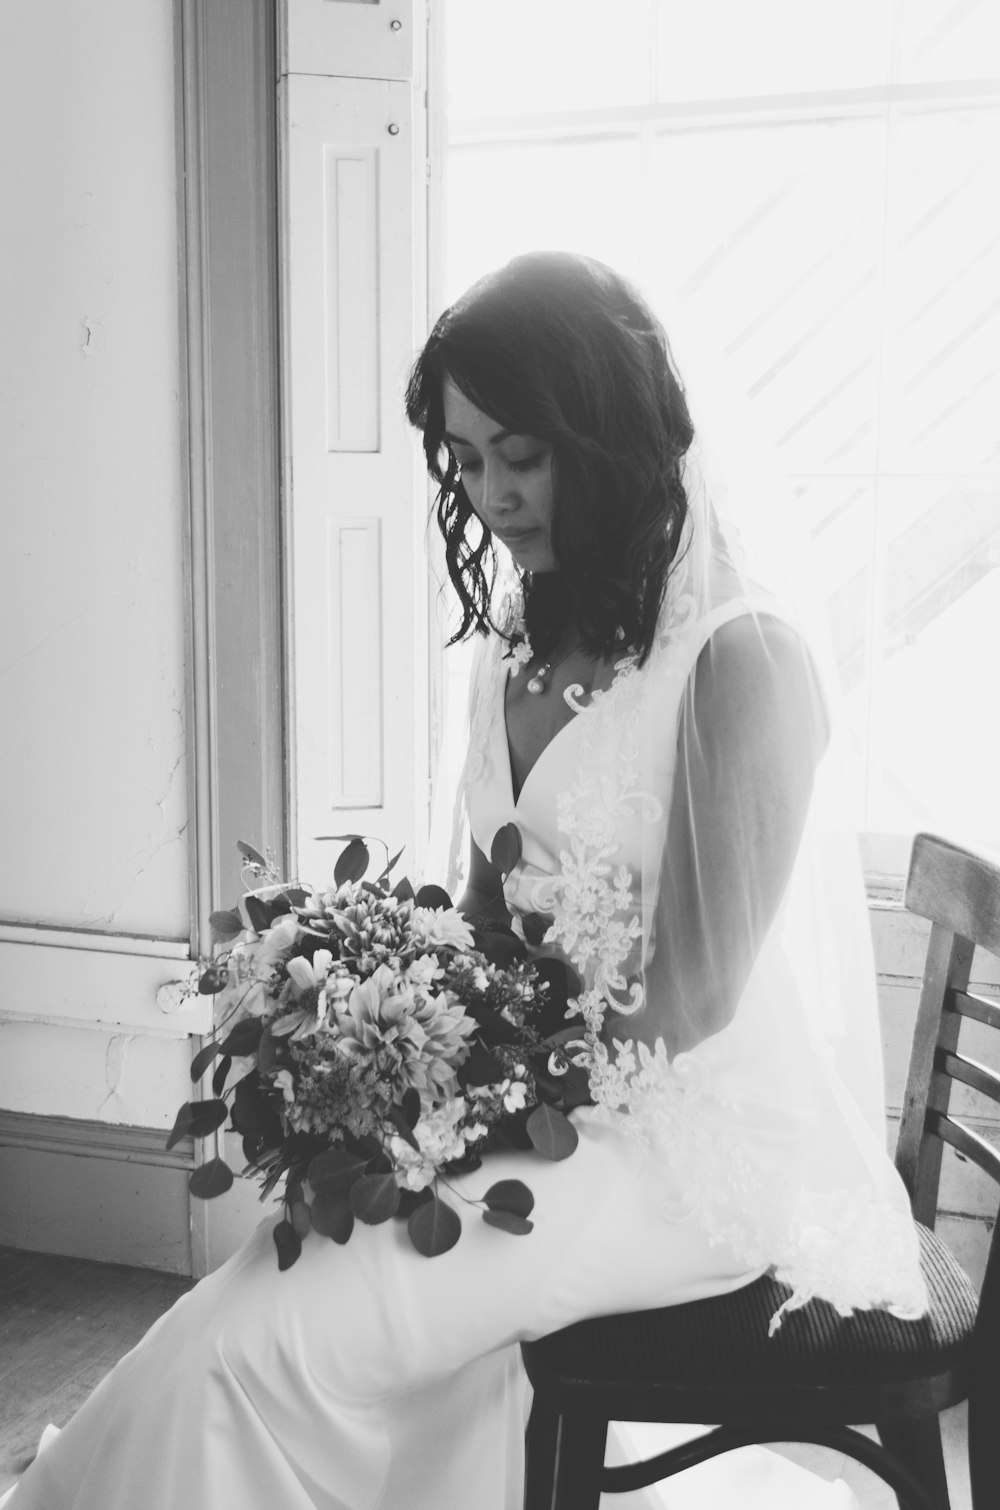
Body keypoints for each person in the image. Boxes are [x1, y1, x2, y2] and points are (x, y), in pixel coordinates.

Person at [3, 252, 927, 1510]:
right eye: (464, 458)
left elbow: (694, 995)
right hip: (544, 1104)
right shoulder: (517, 637)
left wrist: (479, 1096)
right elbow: (487, 908)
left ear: (607, 434)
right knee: (259, 1294)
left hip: (690, 1156)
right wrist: (393, 1044)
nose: (489, 493)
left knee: (266, 1339)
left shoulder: (742, 658)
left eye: (522, 454)